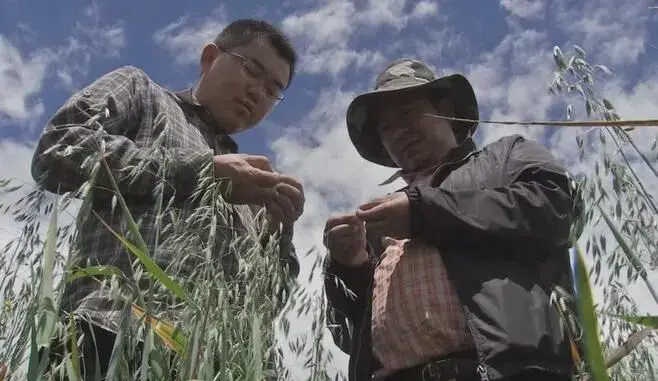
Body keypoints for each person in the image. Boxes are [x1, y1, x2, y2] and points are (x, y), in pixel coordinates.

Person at [31, 19, 304, 379]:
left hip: (212, 367)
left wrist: (276, 237)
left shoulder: (254, 188)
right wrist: (202, 172)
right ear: (209, 57)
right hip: (110, 336)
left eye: (273, 91)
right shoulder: (142, 92)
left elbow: (266, 306)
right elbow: (58, 151)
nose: (259, 93)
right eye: (252, 69)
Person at [323, 58, 578, 381]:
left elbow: (560, 207)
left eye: (408, 113)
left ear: (445, 110)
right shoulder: (381, 219)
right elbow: (350, 337)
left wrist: (424, 212)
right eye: (386, 128)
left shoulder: (505, 159)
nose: (399, 131)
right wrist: (348, 265)